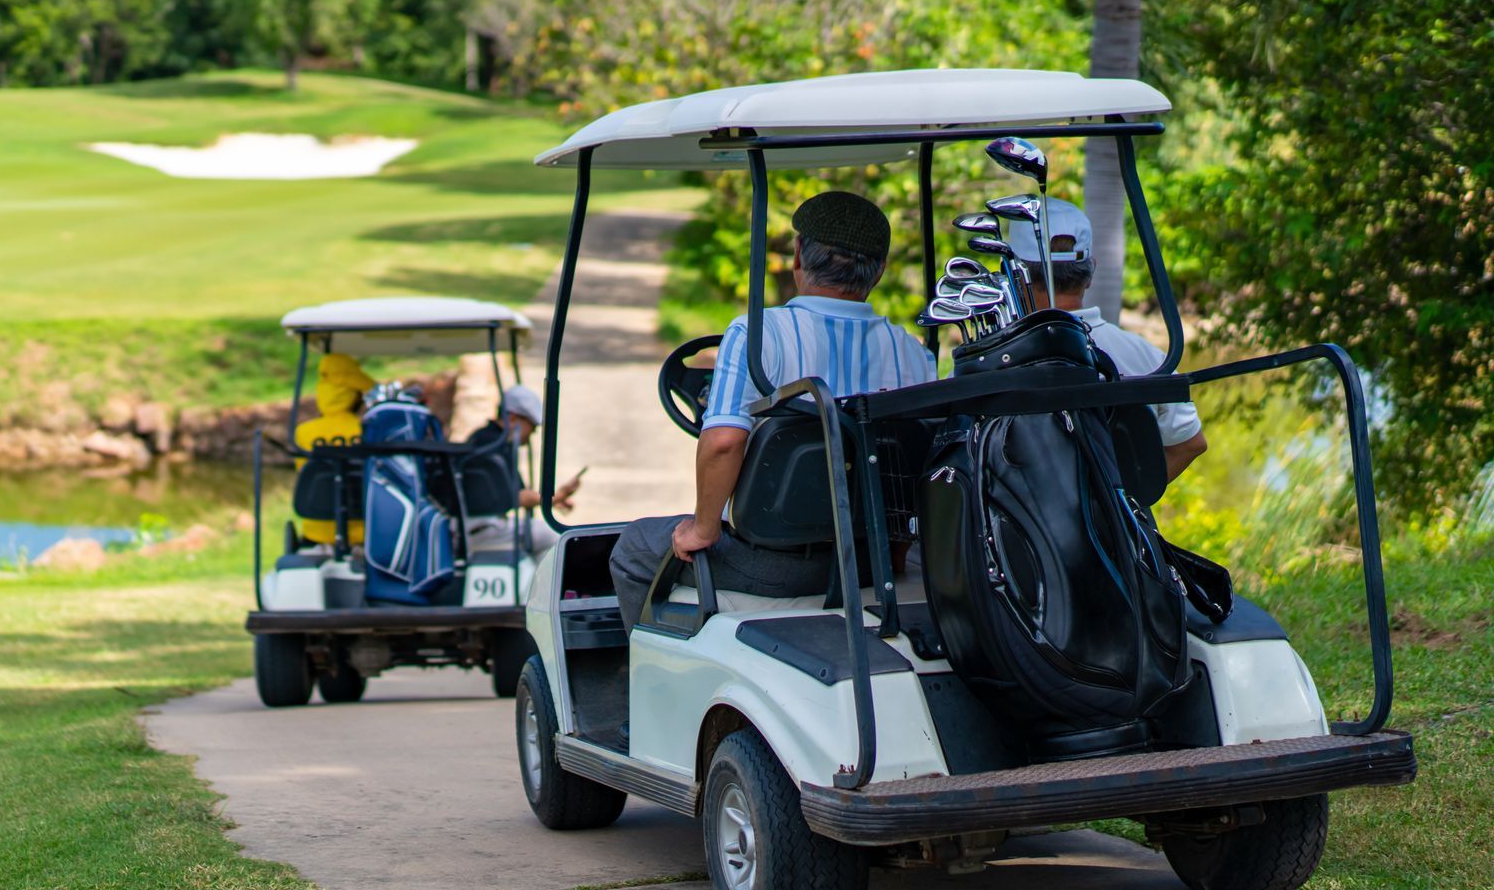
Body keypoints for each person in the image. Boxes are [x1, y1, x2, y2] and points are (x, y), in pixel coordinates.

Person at [609, 192, 935, 632]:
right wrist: (894, 556)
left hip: (772, 564)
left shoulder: (758, 336)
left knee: (633, 547)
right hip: (868, 561)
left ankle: (646, 686)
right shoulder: (912, 355)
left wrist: (704, 528)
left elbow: (724, 442)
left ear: (799, 254)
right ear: (879, 270)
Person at [1008, 197, 1208, 481]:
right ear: (1089, 274)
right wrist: (1121, 508)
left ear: (1018, 278)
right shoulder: (1146, 356)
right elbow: (1190, 443)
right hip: (1107, 524)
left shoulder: (992, 360)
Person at [462, 384, 578, 555]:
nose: (531, 435)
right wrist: (555, 498)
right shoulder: (490, 446)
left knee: (543, 534)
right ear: (514, 419)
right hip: (480, 527)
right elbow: (519, 497)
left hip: (484, 525)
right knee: (556, 537)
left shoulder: (492, 441)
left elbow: (520, 492)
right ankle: (542, 583)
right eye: (530, 427)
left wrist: (554, 500)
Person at [292, 353, 375, 547]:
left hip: (317, 529)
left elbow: (303, 473)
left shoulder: (304, 432)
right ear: (356, 396)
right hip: (368, 529)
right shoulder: (370, 429)